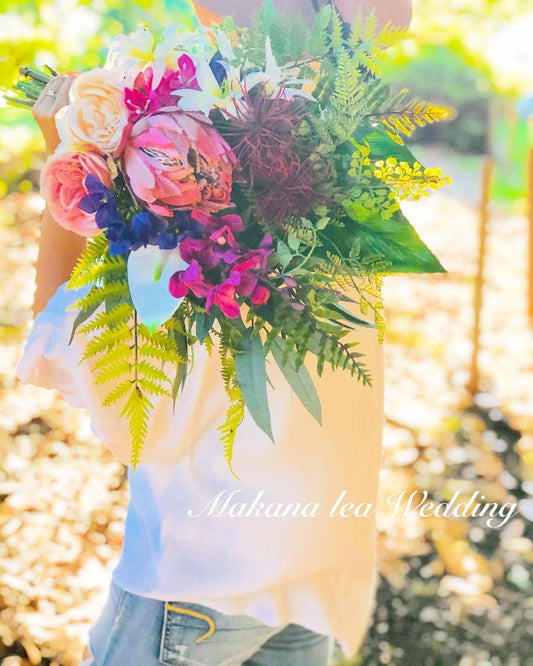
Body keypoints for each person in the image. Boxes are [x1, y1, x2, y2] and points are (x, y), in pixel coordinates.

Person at [16, 1, 412, 665]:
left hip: (203, 575)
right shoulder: (346, 160)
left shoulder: (180, 168)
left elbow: (92, 371)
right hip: (317, 559)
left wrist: (67, 155)